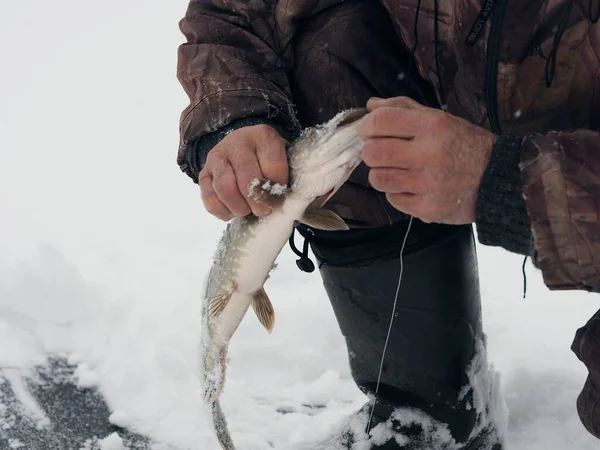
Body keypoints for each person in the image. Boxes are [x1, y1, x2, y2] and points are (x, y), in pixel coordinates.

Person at [176, 0, 600, 448]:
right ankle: (427, 416)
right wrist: (240, 114)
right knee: (331, 49)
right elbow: (236, 10)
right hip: (457, 80)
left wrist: (505, 185)